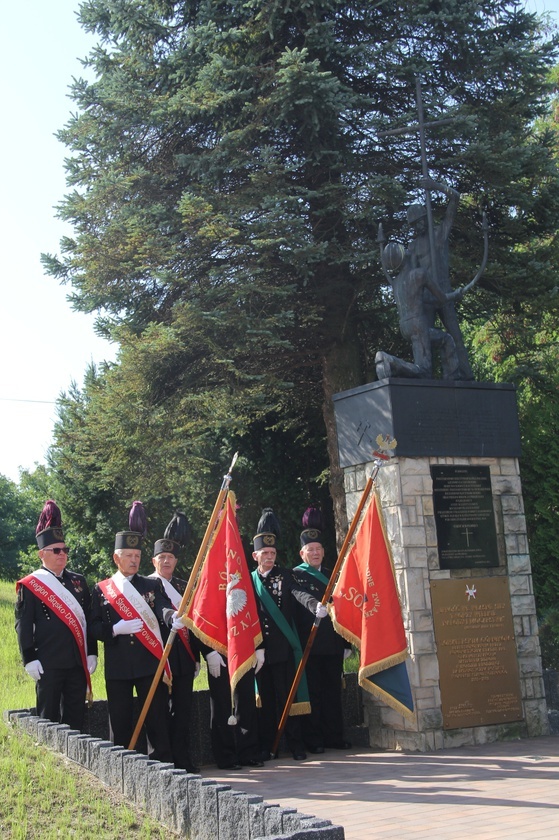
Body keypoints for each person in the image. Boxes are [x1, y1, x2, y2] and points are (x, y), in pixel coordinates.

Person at [90, 502, 184, 762]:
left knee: (156, 718)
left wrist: (171, 617)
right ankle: (122, 766)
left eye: (137, 556)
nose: (134, 561)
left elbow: (162, 607)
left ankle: (162, 765)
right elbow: (94, 627)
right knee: (119, 720)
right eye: (128, 556)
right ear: (116, 558)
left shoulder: (151, 584)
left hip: (147, 663)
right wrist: (115, 629)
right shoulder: (102, 589)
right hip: (118, 666)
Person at [251, 508, 327, 762]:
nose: (270, 557)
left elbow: (298, 593)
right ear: (255, 555)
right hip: (260, 651)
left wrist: (314, 605)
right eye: (265, 553)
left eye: (273, 553)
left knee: (289, 698)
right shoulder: (249, 581)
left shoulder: (286, 575)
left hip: (284, 648)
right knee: (265, 703)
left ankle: (295, 745)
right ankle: (266, 747)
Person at [15, 500, 98, 732]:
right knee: (48, 718)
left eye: (65, 550)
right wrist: (29, 658)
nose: (62, 554)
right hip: (47, 663)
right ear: (42, 554)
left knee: (76, 719)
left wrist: (91, 652)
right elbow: (23, 625)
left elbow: (87, 622)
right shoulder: (31, 585)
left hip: (76, 662)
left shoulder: (78, 581)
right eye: (56, 550)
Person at [291, 506, 352, 753]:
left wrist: (347, 644)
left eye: (318, 550)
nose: (315, 553)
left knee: (332, 693)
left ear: (324, 552)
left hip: (334, 644)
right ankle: (314, 740)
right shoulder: (295, 576)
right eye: (310, 550)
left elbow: (346, 608)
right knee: (314, 694)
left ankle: (334, 737)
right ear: (302, 553)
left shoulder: (333, 574)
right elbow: (300, 598)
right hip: (311, 645)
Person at [148, 512, 200, 773]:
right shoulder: (145, 585)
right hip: (159, 658)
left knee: (183, 712)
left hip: (184, 658)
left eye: (170, 558)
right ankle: (162, 759)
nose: (166, 561)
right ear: (154, 560)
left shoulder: (184, 585)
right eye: (162, 558)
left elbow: (195, 622)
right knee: (158, 711)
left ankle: (183, 759)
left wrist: (200, 656)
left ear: (176, 561)